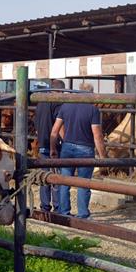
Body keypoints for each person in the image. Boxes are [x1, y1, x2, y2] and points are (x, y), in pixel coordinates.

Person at [49, 83, 106, 219]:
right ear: (90, 94)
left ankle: (64, 212)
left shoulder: (65, 106)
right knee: (83, 182)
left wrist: (53, 148)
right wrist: (103, 156)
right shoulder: (93, 110)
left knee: (65, 181)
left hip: (67, 147)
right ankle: (83, 214)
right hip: (85, 149)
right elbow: (97, 135)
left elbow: (55, 130)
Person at [35, 79, 65, 212]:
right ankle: (57, 207)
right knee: (55, 175)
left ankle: (45, 206)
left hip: (42, 141)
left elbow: (35, 122)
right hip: (54, 144)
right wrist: (64, 141)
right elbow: (60, 125)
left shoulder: (40, 102)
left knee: (44, 176)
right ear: (60, 91)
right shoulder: (57, 102)